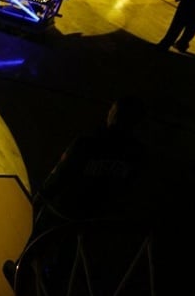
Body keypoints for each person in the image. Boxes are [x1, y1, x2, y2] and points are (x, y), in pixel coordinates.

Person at [35, 97, 146, 231]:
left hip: (65, 214)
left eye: (112, 110)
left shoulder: (87, 142)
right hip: (99, 222)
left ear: (114, 114)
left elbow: (61, 174)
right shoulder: (137, 153)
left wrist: (39, 198)